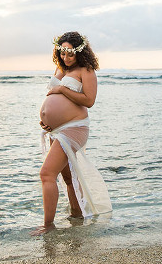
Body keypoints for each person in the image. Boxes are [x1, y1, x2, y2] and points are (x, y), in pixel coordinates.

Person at [31, 31, 112, 236]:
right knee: (68, 178)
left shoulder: (87, 70)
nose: (66, 58)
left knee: (46, 173)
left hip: (75, 128)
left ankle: (48, 226)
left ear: (80, 52)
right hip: (57, 130)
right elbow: (52, 96)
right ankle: (77, 217)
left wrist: (62, 91)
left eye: (70, 54)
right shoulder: (61, 68)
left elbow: (89, 100)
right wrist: (46, 119)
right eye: (62, 53)